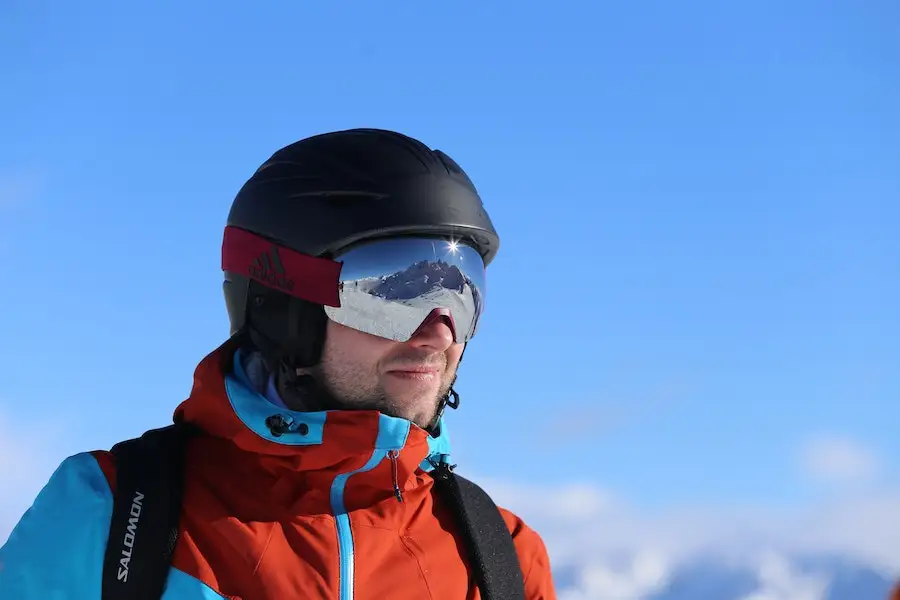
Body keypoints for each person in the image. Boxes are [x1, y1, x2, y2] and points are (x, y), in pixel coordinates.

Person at [0, 128, 557, 599]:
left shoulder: (499, 556)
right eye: (393, 294)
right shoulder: (110, 514)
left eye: (464, 295)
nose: (440, 333)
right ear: (282, 308)